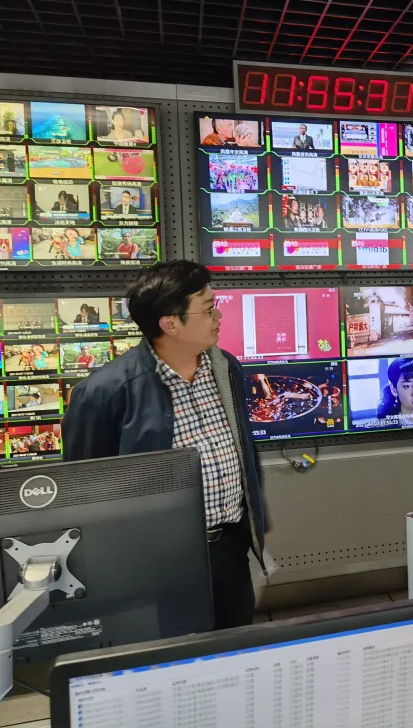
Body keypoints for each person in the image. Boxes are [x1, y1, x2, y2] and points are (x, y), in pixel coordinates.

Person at [62, 260, 269, 629]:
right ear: (171, 324)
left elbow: (244, 451)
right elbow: (83, 490)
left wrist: (257, 519)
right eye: (208, 308)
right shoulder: (106, 392)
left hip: (228, 549)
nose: (218, 315)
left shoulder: (225, 368)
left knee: (234, 645)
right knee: (171, 651)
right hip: (155, 561)